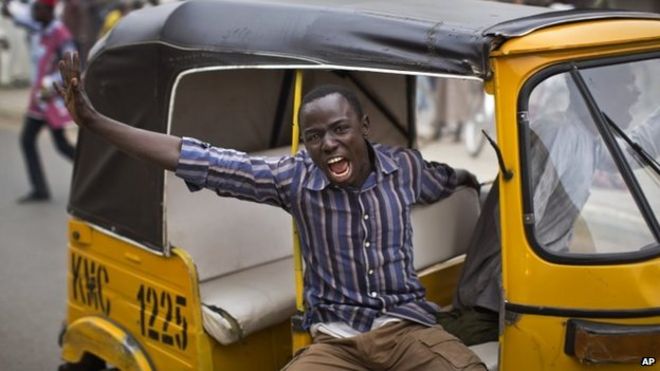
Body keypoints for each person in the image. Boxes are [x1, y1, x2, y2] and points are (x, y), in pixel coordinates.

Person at [56, 52, 486, 370]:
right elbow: (200, 160)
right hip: (336, 341)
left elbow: (446, 178)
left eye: (340, 129)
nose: (329, 144)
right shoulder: (295, 178)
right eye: (315, 137)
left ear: (364, 128)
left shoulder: (403, 168)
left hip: (407, 330)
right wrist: (94, 122)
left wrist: (477, 186)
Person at [439, 63, 660, 345]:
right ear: (596, 91)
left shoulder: (584, 138)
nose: (637, 93)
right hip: (498, 303)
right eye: (628, 84)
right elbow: (520, 226)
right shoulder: (558, 134)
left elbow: (629, 151)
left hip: (533, 290)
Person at [3, 0, 77, 203]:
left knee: (60, 145)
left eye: (37, 8)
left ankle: (93, 175)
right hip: (39, 100)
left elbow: (70, 69)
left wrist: (50, 84)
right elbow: (19, 18)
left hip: (51, 100)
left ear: (48, 10)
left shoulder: (61, 35)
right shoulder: (41, 29)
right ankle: (40, 189)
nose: (33, 12)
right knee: (30, 141)